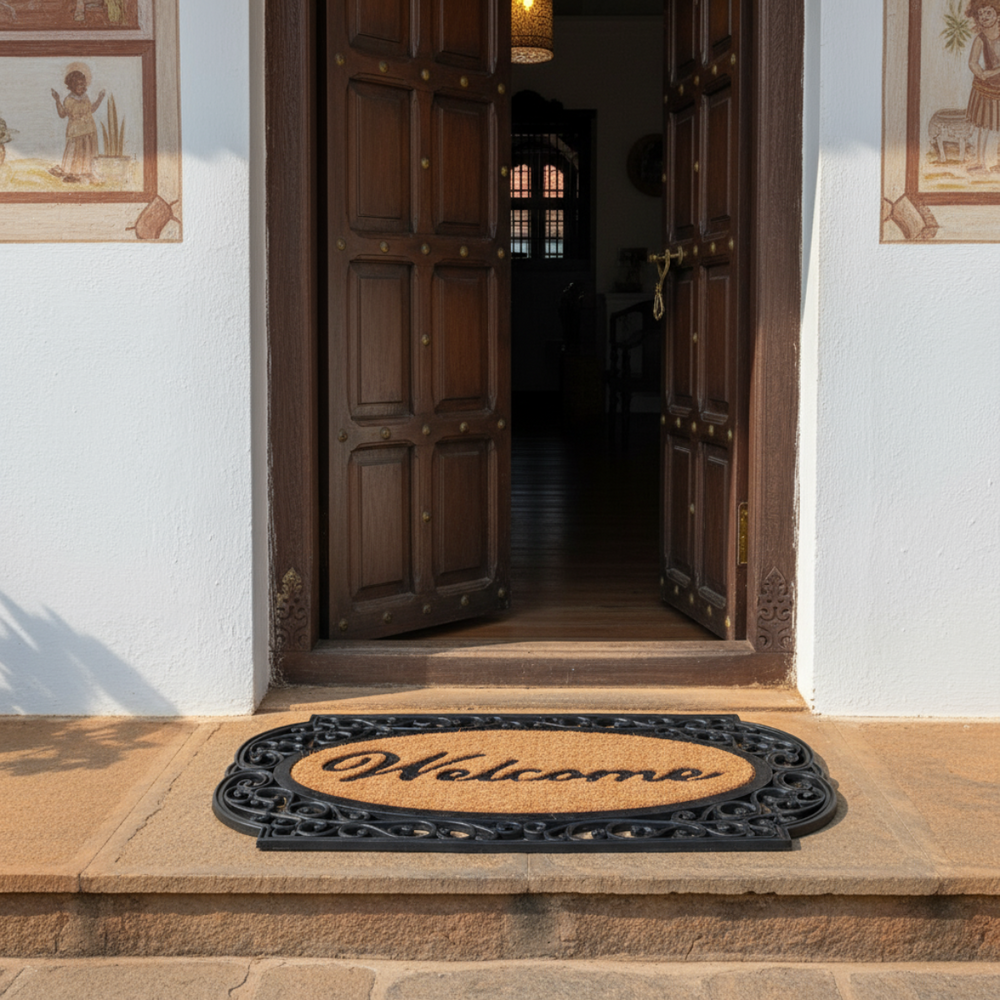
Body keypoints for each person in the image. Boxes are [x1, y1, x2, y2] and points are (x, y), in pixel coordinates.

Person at [49, 68, 105, 184]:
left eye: (82, 84)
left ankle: (87, 174)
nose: (80, 87)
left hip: (89, 130)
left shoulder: (85, 97)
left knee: (88, 152)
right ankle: (73, 175)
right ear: (72, 86)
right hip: (76, 132)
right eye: (77, 84)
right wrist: (57, 100)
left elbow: (92, 109)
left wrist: (100, 98)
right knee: (75, 152)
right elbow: (62, 114)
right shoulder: (69, 99)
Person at [965, 0, 1000, 171]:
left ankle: (996, 163)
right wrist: (981, 73)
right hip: (985, 89)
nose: (984, 17)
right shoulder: (980, 39)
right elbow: (972, 62)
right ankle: (981, 163)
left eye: (989, 13)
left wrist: (991, 73)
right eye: (981, 14)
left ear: (998, 14)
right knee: (984, 127)